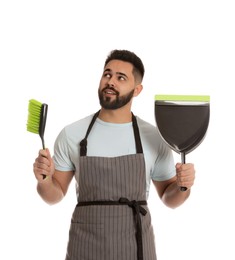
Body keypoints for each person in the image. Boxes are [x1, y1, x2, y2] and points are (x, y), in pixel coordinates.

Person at [33, 49, 195, 260]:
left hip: (135, 246)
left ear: (137, 90)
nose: (110, 81)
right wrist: (44, 180)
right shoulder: (72, 134)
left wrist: (183, 186)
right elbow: (54, 196)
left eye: (121, 77)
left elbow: (169, 198)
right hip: (85, 246)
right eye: (107, 74)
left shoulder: (154, 137)